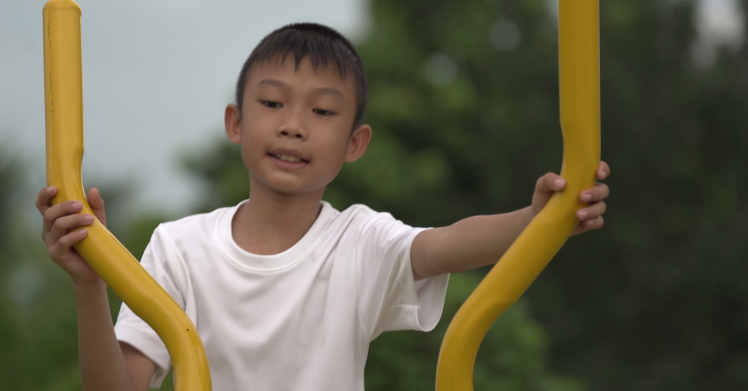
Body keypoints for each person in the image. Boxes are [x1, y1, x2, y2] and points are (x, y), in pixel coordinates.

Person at [35, 23, 610, 391]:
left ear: (355, 144)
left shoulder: (358, 242)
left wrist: (537, 220)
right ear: (236, 122)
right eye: (272, 102)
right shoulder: (179, 247)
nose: (292, 125)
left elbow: (446, 244)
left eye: (323, 112)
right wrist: (91, 286)